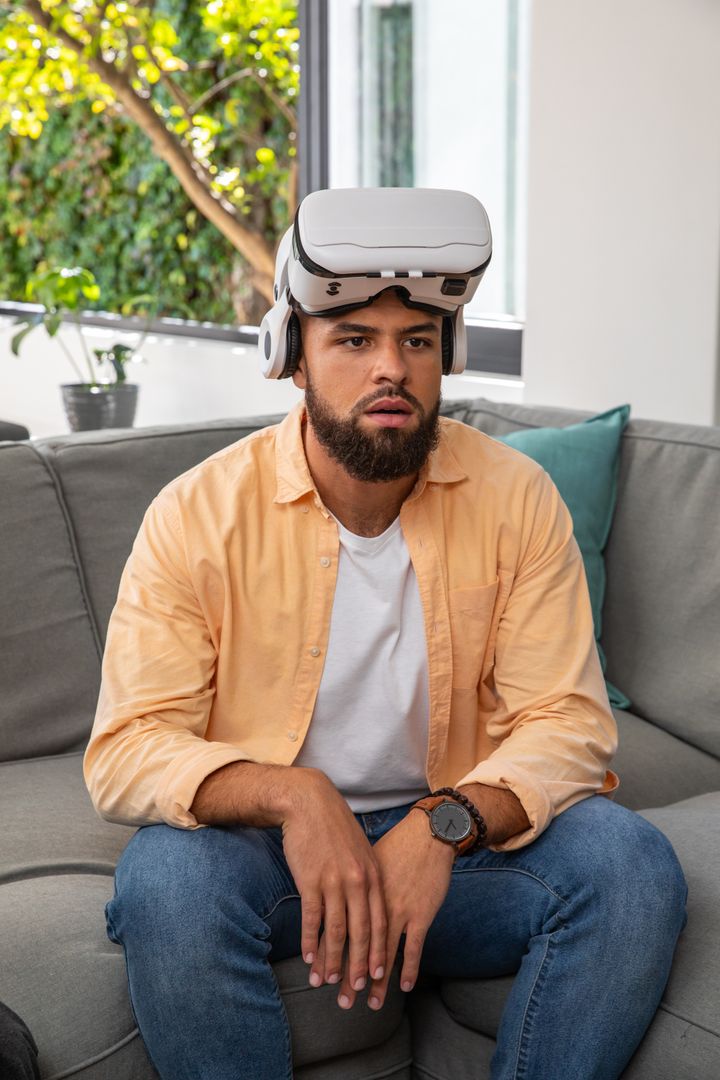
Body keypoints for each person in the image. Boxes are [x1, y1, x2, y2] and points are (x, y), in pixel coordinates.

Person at [84, 188, 687, 1080]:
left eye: (416, 342)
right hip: (273, 858)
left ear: (448, 357)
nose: (391, 370)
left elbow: (569, 723)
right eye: (355, 341)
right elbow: (127, 749)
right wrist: (295, 797)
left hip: (459, 852)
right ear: (294, 358)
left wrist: (442, 824)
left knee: (632, 868)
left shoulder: (517, 500)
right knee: (168, 884)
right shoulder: (197, 515)